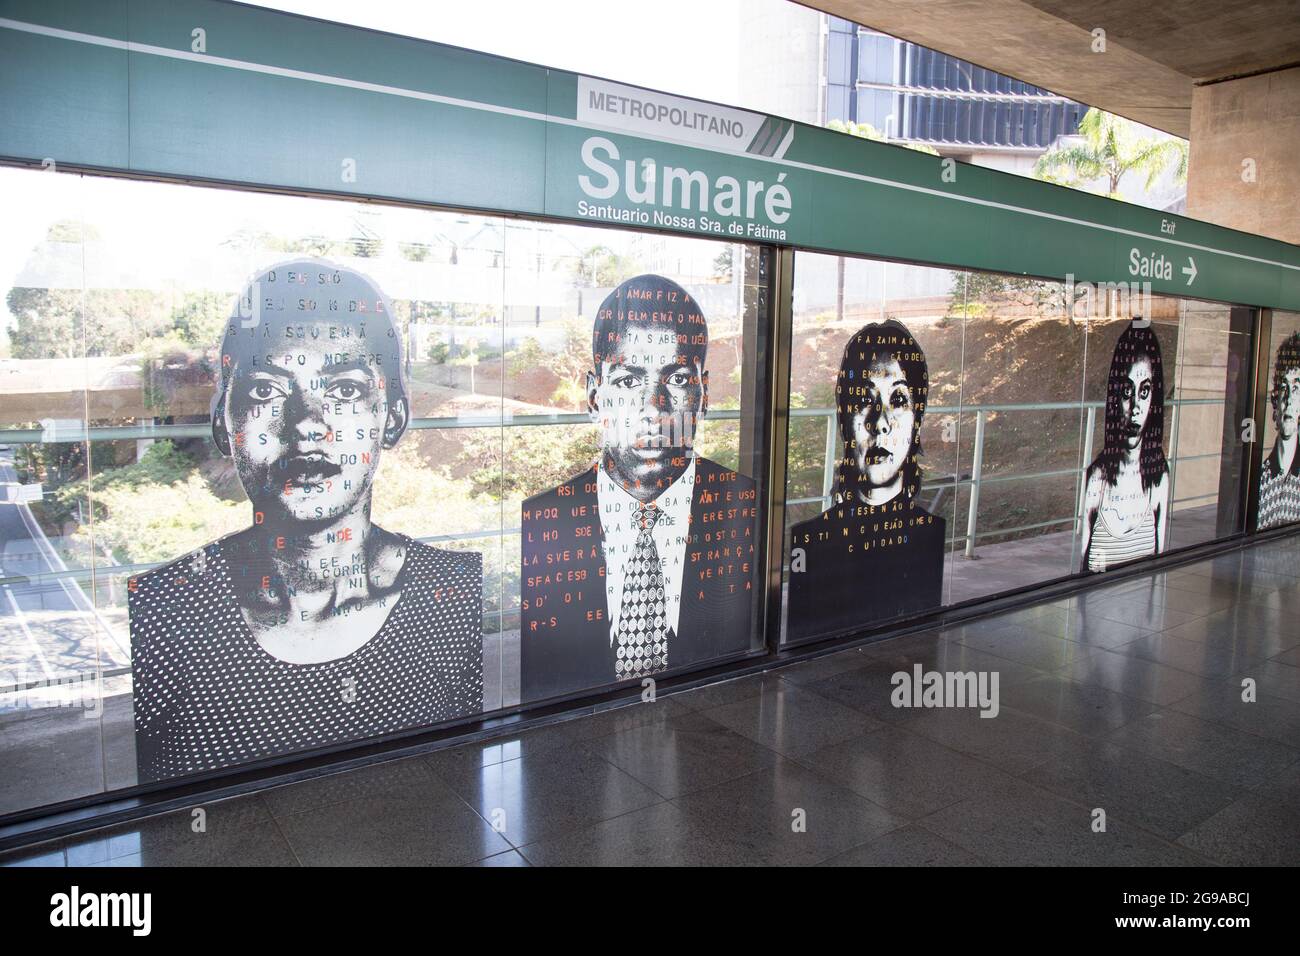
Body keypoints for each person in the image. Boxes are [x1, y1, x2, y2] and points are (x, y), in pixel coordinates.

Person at [129, 260, 483, 783]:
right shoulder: (168, 607)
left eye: (342, 392)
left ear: (392, 418)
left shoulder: (450, 594)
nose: (308, 425)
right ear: (223, 425)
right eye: (267, 392)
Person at [519, 274, 757, 701]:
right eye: (629, 381)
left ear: (705, 395)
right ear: (595, 398)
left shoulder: (745, 504)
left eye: (678, 380)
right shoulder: (545, 518)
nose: (653, 408)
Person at [786, 320, 946, 642]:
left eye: (899, 401)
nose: (880, 423)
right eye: (863, 401)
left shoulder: (929, 534)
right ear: (844, 418)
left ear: (918, 420)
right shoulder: (812, 541)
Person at [1080, 322, 1170, 572]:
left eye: (1145, 392)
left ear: (1154, 398)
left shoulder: (1159, 477)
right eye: (1127, 392)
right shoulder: (1097, 478)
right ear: (1115, 395)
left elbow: (1159, 568)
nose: (1135, 408)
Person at [1258, 331, 1300, 529]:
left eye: (1297, 388)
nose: (1290, 399)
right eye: (1285, 388)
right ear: (1277, 399)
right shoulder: (1260, 478)